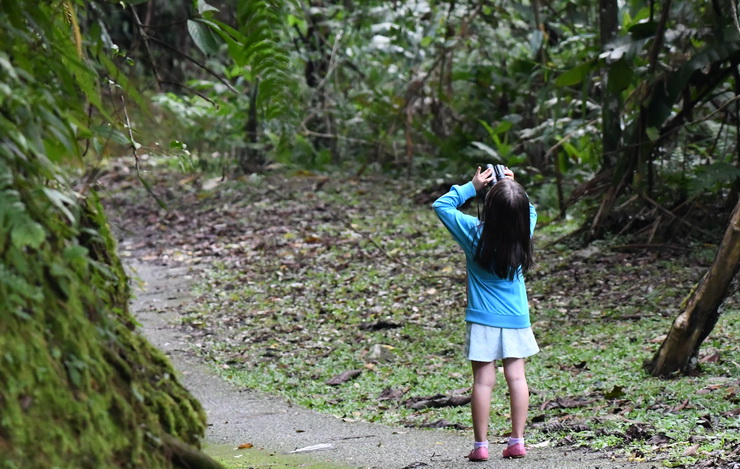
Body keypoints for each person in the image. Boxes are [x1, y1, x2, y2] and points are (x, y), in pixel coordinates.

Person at [432, 166, 538, 462]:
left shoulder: (473, 233)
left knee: (482, 381)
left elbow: (441, 205)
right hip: (516, 319)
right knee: (517, 378)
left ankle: (481, 447)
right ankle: (516, 441)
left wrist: (473, 186)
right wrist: (510, 185)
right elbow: (526, 210)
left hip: (482, 319)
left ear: (489, 210)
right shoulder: (524, 231)